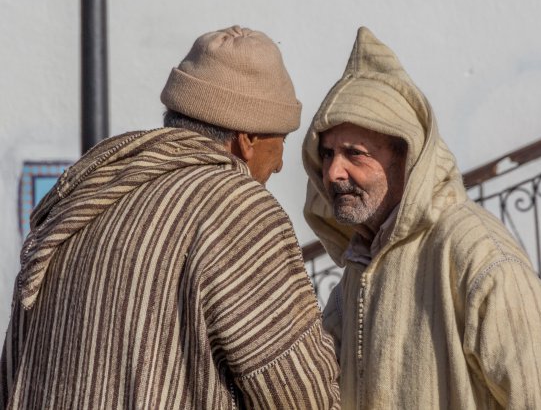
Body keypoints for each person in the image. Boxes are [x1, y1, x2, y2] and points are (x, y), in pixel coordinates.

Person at [1, 25, 340, 409]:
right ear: (247, 139)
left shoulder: (88, 194)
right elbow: (295, 392)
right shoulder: (235, 207)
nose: (279, 165)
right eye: (281, 142)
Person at [302, 26, 541, 409]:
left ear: (406, 156)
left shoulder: (474, 252)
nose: (333, 172)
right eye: (328, 154)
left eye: (355, 153)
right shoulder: (360, 268)